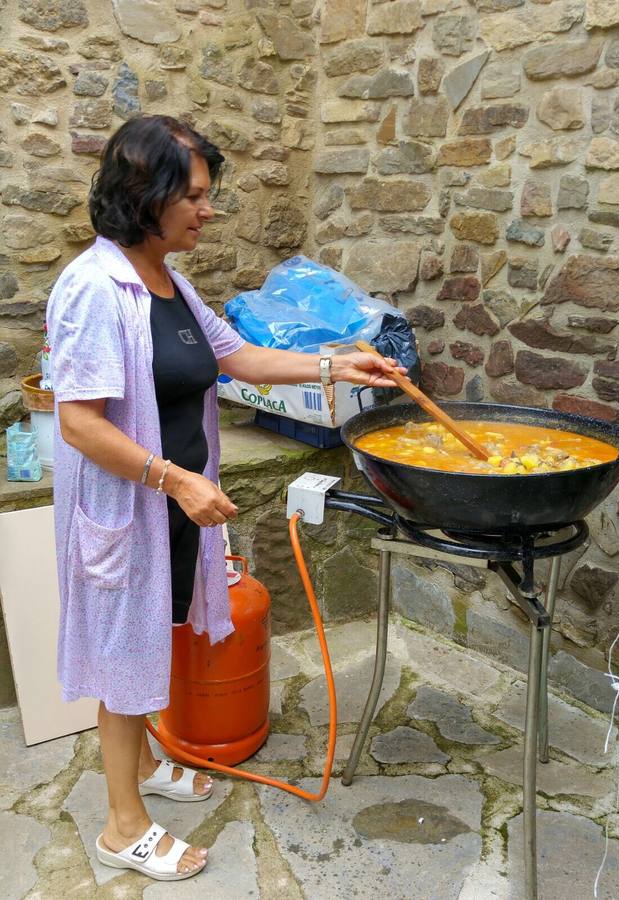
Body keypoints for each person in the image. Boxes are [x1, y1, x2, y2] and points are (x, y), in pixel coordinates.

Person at [47, 114, 405, 882]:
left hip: (170, 506)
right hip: (134, 504)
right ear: (147, 195)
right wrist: (173, 480)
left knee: (152, 634)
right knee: (124, 658)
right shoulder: (92, 288)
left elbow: (236, 354)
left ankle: (142, 764)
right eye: (198, 196)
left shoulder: (169, 280)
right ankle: (122, 826)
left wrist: (337, 368)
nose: (209, 211)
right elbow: (77, 423)